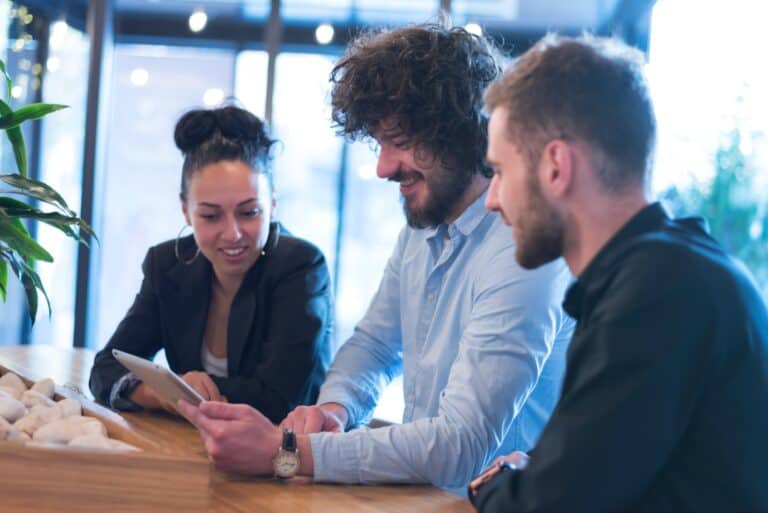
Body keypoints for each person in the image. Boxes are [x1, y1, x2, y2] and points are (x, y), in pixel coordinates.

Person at [179, 24, 574, 492]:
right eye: (378, 143)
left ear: (461, 131)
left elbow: (459, 447)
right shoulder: (423, 227)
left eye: (400, 141)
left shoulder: (521, 248)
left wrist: (286, 452)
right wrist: (334, 410)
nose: (384, 167)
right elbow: (374, 346)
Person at [470, 34, 768, 511]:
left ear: (555, 166)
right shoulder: (679, 269)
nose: (491, 200)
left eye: (500, 171)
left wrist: (491, 487)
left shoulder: (655, 293)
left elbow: (550, 505)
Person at [90, 105, 332, 423]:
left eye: (249, 212)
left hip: (284, 459)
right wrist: (159, 394)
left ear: (272, 204)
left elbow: (277, 398)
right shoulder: (167, 264)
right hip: (192, 448)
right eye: (210, 215)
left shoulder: (300, 266)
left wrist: (177, 391)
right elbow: (106, 367)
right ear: (185, 210)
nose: (232, 233)